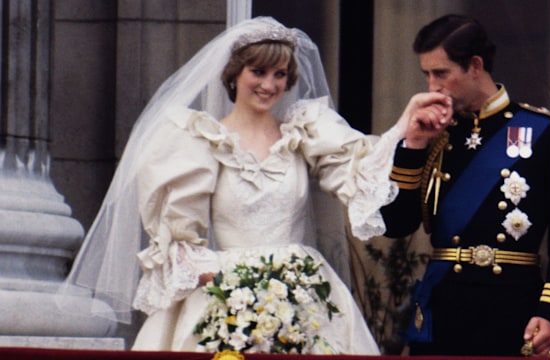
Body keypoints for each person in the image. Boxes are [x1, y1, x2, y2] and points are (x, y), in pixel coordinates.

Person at [58, 17, 450, 354]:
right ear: (234, 75)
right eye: (258, 72)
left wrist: (404, 129)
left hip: (306, 293)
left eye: (280, 74)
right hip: (226, 294)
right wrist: (239, 291)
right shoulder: (199, 141)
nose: (269, 84)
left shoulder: (304, 133)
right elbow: (181, 242)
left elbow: (361, 172)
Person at [380, 14, 550, 357]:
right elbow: (395, 224)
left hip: (512, 310)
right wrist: (413, 146)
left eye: (441, 73)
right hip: (443, 310)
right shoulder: (432, 135)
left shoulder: (545, 132)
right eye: (427, 74)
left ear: (475, 66)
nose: (432, 86)